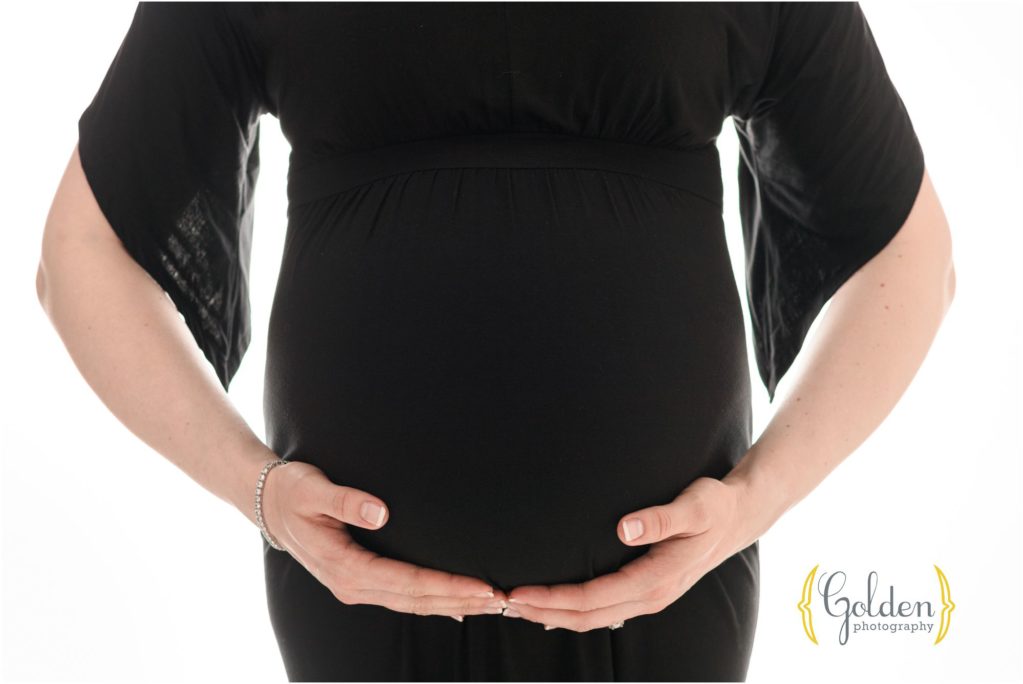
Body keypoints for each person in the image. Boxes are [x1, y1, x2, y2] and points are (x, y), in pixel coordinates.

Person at [37, 2, 955, 681]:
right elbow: (79, 256)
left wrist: (755, 502)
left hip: (665, 608)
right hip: (362, 612)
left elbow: (911, 256)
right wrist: (260, 494)